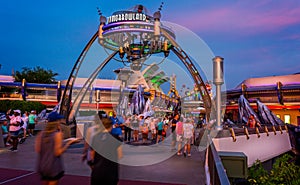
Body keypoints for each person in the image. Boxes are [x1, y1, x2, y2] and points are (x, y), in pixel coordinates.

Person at [35, 112, 80, 185]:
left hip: (43, 165)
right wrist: (68, 144)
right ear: (56, 122)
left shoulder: (41, 134)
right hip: (53, 165)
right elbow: (58, 152)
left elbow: (38, 149)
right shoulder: (57, 134)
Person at [88, 117, 123, 185]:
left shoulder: (95, 137)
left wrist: (92, 165)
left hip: (97, 170)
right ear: (111, 126)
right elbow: (120, 155)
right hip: (111, 170)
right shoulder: (116, 138)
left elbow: (91, 155)